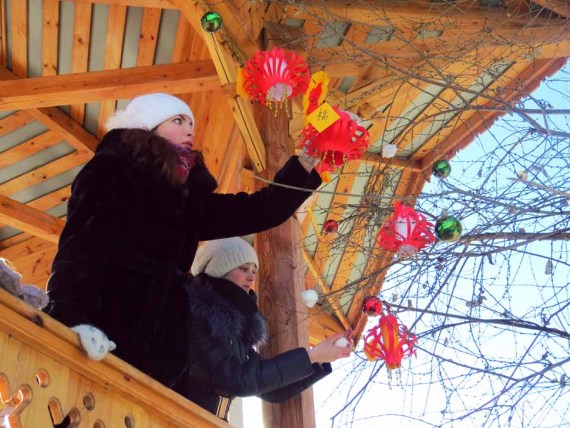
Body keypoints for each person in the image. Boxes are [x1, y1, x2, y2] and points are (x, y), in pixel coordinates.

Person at [45, 93, 322, 390]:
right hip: (106, 321)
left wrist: (305, 162)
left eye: (191, 122)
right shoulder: (111, 169)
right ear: (148, 127)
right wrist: (71, 317)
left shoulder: (188, 198)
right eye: (178, 120)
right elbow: (81, 246)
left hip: (158, 355)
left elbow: (259, 211)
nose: (190, 129)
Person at [184, 237, 352, 420]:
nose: (251, 276)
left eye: (254, 270)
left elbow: (271, 391)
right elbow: (237, 380)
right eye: (243, 268)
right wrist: (312, 356)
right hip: (177, 417)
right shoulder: (196, 313)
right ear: (218, 268)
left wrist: (318, 359)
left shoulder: (237, 330)